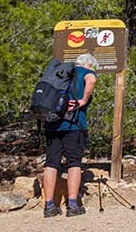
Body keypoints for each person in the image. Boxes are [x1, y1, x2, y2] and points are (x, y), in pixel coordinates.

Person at [42, 52, 98, 218]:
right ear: (88, 64)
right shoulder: (84, 72)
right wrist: (83, 100)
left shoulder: (59, 73)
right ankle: (72, 205)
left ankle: (49, 206)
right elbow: (92, 80)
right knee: (74, 163)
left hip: (52, 124)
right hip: (74, 124)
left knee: (51, 164)